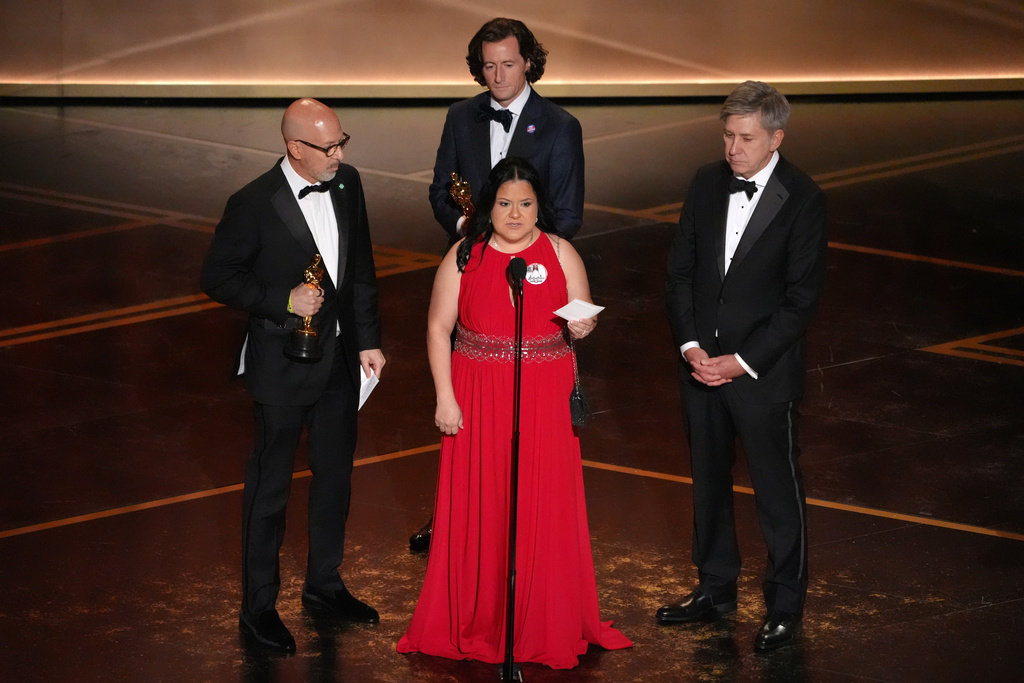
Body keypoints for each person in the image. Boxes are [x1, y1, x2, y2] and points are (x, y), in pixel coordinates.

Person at [397, 157, 631, 669]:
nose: (515, 213)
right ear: (489, 205)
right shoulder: (464, 255)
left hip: (544, 399)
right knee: (483, 504)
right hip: (477, 396)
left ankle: (542, 620)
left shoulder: (561, 252)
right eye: (504, 203)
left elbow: (580, 311)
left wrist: (583, 327)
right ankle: (479, 620)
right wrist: (445, 397)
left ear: (538, 206)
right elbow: (439, 328)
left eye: (525, 203)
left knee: (541, 504)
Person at [200, 98, 385, 654]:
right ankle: (258, 607)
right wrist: (282, 301)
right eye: (328, 147)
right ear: (294, 148)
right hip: (281, 366)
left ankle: (324, 587)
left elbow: (362, 270)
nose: (339, 154)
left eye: (341, 142)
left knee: (334, 482)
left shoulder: (348, 183)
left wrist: (369, 338)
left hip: (339, 362)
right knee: (270, 490)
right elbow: (218, 275)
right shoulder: (253, 203)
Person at [659, 81, 827, 652]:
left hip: (761, 374)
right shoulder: (707, 182)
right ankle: (715, 586)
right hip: (701, 365)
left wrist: (742, 361)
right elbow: (680, 272)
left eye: (746, 138)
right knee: (707, 484)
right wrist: (691, 348)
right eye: (728, 135)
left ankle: (784, 605)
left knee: (777, 493)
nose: (733, 148)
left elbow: (800, 301)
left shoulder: (803, 197)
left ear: (776, 137)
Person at [411, 15, 586, 552]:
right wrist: (474, 234)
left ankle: (527, 523)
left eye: (508, 64)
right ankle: (461, 516)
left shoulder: (560, 125)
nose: (499, 75)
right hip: (477, 260)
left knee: (530, 422)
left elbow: (568, 212)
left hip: (534, 271)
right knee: (472, 406)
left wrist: (520, 241)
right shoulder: (461, 116)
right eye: (488, 66)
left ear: (529, 62)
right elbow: (443, 190)